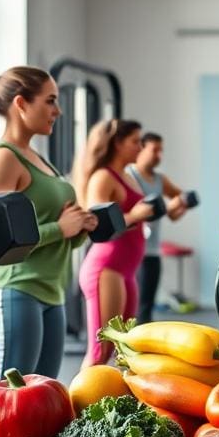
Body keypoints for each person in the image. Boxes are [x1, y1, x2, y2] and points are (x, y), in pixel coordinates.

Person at [0, 67, 97, 383]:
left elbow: (54, 231)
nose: (58, 110)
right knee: (6, 398)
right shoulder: (3, 159)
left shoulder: (37, 158)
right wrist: (60, 229)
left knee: (43, 399)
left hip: (51, 292)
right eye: (50, 101)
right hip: (15, 287)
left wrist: (79, 229)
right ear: (22, 104)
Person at [73, 119, 156, 368]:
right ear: (117, 144)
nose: (140, 147)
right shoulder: (103, 177)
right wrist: (136, 215)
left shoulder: (127, 176)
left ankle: (114, 403)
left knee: (124, 348)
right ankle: (77, 406)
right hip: (106, 268)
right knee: (100, 351)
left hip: (127, 270)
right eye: (134, 141)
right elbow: (97, 225)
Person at [127, 132, 194, 324]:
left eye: (161, 151)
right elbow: (139, 211)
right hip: (133, 250)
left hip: (153, 251)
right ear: (141, 148)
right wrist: (168, 207)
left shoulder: (159, 179)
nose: (159, 155)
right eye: (154, 150)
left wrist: (182, 205)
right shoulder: (129, 175)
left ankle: (144, 350)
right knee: (134, 308)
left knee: (146, 307)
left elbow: (174, 210)